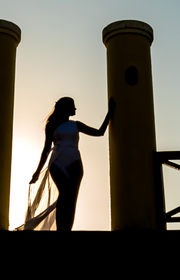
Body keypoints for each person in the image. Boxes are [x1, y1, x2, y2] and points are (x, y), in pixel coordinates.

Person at [26, 96, 114, 232]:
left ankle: (67, 229)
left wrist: (110, 113)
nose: (75, 108)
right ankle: (60, 230)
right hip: (57, 161)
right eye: (73, 105)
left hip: (75, 162)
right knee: (65, 193)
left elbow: (99, 132)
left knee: (72, 199)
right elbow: (46, 149)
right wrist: (37, 172)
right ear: (65, 107)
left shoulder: (76, 125)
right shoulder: (51, 125)